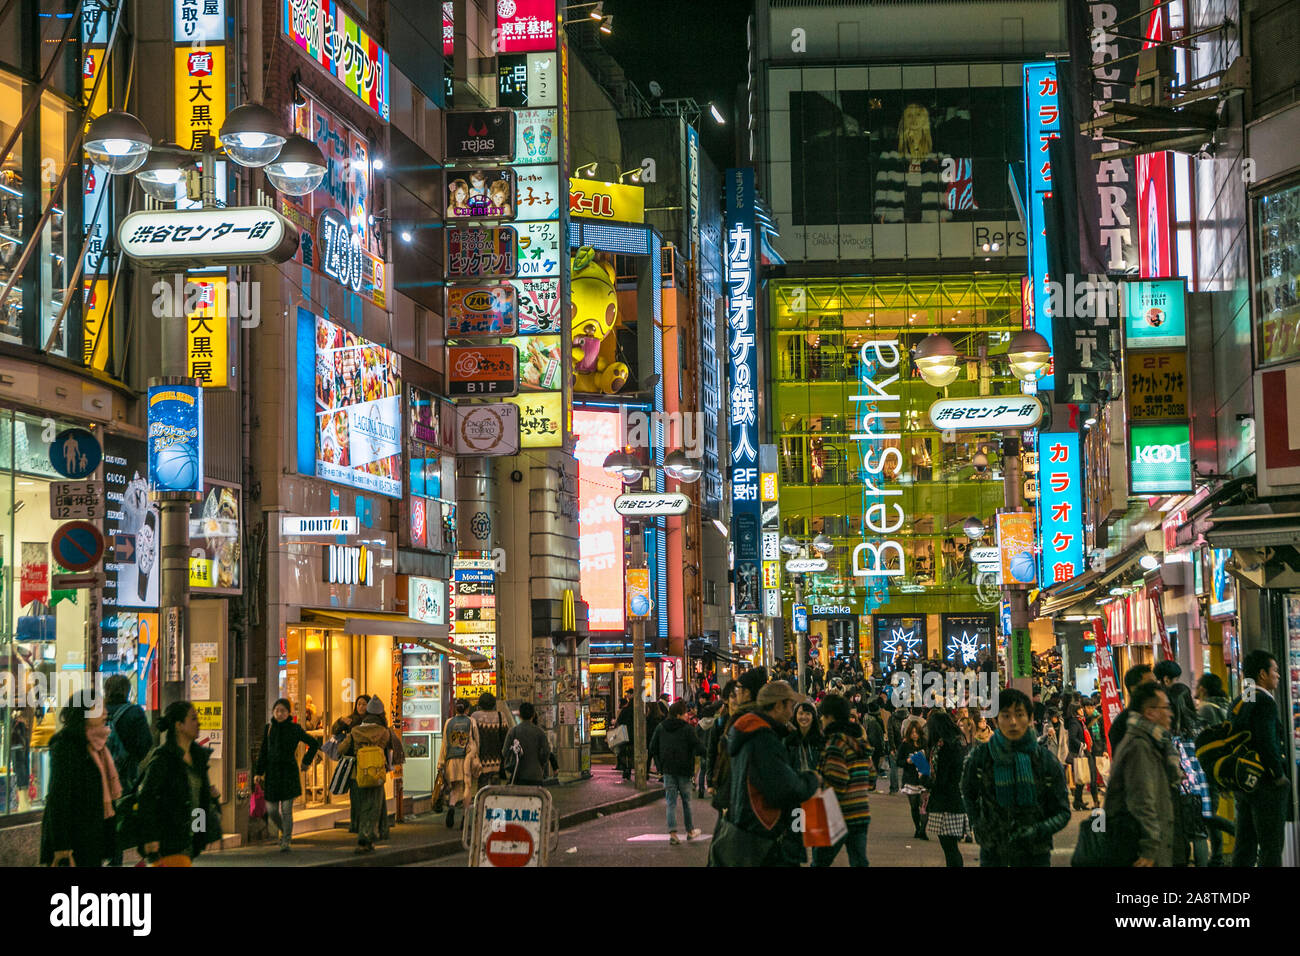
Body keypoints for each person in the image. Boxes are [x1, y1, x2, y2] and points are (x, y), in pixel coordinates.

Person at [961, 688, 1071, 867]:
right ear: (996, 721)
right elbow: (968, 792)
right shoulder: (982, 757)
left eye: (1019, 714)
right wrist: (981, 825)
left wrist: (1037, 830)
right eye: (1005, 715)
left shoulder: (1044, 760)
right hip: (993, 852)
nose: (1013, 722)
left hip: (1035, 852)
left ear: (1029, 718)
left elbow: (1063, 811)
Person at [716, 680, 820, 867]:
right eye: (790, 705)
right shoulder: (763, 739)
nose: (792, 712)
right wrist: (811, 780)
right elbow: (783, 787)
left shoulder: (748, 733)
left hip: (750, 834)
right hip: (766, 841)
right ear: (778, 705)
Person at [1103, 682, 1181, 866]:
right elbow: (1142, 799)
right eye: (1166, 708)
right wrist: (1150, 848)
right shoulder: (1140, 746)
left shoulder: (1151, 742)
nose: (1170, 714)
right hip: (1139, 851)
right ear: (1150, 712)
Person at [138, 701, 222, 865]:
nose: (199, 723)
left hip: (189, 842)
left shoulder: (198, 757)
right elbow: (147, 798)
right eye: (193, 719)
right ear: (179, 725)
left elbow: (199, 799)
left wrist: (200, 833)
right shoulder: (164, 759)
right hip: (168, 840)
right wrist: (150, 837)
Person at [39, 695, 119, 867]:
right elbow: (58, 797)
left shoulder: (99, 746)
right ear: (83, 712)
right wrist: (62, 846)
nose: (105, 712)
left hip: (91, 835)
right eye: (98, 707)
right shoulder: (67, 745)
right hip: (73, 840)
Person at [1232, 650, 1288, 867]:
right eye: (1275, 670)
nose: (1278, 675)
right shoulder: (1265, 702)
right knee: (1271, 845)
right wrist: (1278, 775)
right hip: (1266, 782)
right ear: (1262, 674)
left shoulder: (1243, 699)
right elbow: (1267, 741)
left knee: (1244, 844)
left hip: (1245, 781)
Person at [253, 697, 321, 852]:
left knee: (286, 809)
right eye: (276, 710)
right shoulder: (269, 728)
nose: (279, 713)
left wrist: (306, 761)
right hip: (272, 774)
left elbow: (314, 743)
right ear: (273, 712)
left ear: (288, 713)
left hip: (288, 773)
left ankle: (286, 840)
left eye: (282, 711)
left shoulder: (294, 729)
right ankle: (284, 830)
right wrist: (259, 772)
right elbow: (263, 751)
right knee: (271, 810)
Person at [814, 693, 874, 867]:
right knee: (859, 862)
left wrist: (818, 781)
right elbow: (871, 779)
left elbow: (837, 784)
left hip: (837, 814)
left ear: (830, 717)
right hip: (861, 812)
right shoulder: (859, 744)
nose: (822, 721)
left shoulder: (835, 745)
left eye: (823, 717)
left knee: (820, 862)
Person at [103, 674, 151, 865]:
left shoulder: (97, 711)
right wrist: (132, 758)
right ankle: (115, 859)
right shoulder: (134, 713)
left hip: (98, 776)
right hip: (124, 776)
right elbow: (146, 743)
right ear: (127, 691)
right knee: (120, 819)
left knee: (102, 819)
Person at [338, 696, 396, 853]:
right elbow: (394, 748)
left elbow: (340, 749)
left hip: (359, 773)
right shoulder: (384, 732)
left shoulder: (355, 731)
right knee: (374, 805)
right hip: (377, 773)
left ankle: (367, 834)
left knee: (364, 805)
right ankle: (368, 836)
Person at [649, 700, 705, 844]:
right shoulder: (687, 729)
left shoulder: (661, 727)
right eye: (685, 712)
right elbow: (698, 747)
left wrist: (660, 764)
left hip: (668, 769)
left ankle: (673, 834)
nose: (688, 715)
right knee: (686, 801)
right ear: (679, 714)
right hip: (684, 769)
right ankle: (690, 830)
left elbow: (652, 747)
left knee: (671, 802)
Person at [921, 709, 969, 867]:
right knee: (950, 847)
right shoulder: (954, 744)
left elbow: (942, 779)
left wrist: (925, 779)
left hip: (947, 803)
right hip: (952, 801)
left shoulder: (945, 747)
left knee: (950, 848)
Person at [331, 694, 370, 834]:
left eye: (364, 704)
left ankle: (363, 824)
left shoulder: (372, 720)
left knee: (366, 795)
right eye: (359, 704)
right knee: (355, 794)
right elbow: (334, 730)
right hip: (352, 762)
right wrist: (341, 722)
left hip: (368, 762)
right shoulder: (350, 719)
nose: (361, 707)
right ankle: (355, 824)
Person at [438, 699, 479, 829]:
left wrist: (441, 763)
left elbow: (444, 743)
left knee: (455, 789)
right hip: (465, 759)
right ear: (467, 710)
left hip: (451, 760)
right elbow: (476, 741)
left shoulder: (448, 723)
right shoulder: (471, 721)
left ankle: (451, 807)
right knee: (467, 788)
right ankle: (464, 819)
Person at [502, 701, 551, 786]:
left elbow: (504, 752)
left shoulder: (513, 731)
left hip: (517, 775)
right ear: (533, 715)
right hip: (536, 775)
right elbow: (546, 751)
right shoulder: (540, 732)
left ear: (520, 715)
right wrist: (541, 764)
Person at [1108, 663, 1155, 750]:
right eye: (1150, 684)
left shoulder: (1157, 716)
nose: (1156, 688)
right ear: (1134, 688)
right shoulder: (1122, 723)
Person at [897, 716, 928, 839]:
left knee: (925, 806)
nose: (914, 735)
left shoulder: (925, 744)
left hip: (924, 778)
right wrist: (907, 761)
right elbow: (898, 761)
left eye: (916, 732)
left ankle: (922, 830)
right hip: (910, 779)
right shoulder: (905, 746)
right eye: (912, 733)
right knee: (914, 806)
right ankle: (917, 828)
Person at [471, 691, 508, 787]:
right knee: (495, 791)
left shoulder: (475, 716)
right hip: (497, 760)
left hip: (481, 760)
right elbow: (505, 737)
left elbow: (472, 737)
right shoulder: (501, 716)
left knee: (482, 790)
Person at [786, 701, 824, 774]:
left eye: (808, 714)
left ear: (813, 717)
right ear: (795, 716)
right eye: (801, 713)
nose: (804, 717)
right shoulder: (789, 739)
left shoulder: (820, 739)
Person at [886, 704, 908, 794]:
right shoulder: (908, 718)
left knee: (894, 768)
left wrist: (892, 747)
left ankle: (894, 788)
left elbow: (890, 733)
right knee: (907, 767)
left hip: (895, 745)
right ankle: (905, 787)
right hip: (905, 746)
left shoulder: (892, 718)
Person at [614, 696, 635, 780]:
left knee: (622, 752)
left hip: (624, 733)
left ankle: (625, 768)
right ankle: (629, 768)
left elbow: (619, 721)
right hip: (633, 734)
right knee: (631, 753)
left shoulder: (625, 710)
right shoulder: (637, 710)